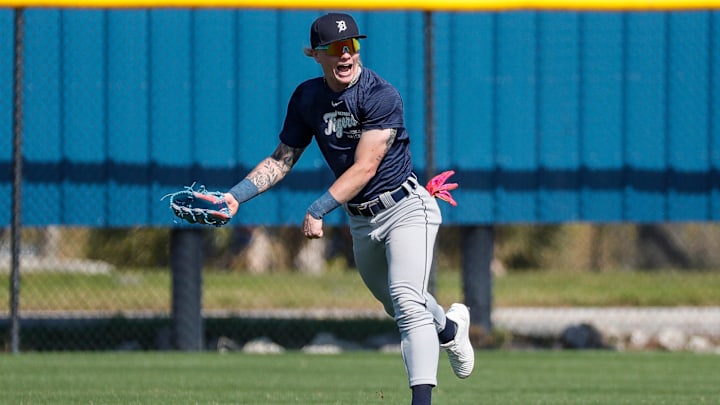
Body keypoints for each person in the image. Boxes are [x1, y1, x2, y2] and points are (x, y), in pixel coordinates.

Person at [222, 12, 474, 405]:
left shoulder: (380, 94)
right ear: (315, 54)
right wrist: (235, 196)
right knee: (400, 303)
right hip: (362, 222)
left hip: (407, 208)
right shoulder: (307, 97)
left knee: (407, 303)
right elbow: (282, 158)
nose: (346, 54)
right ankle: (450, 330)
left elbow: (366, 166)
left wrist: (320, 207)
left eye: (352, 45)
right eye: (335, 48)